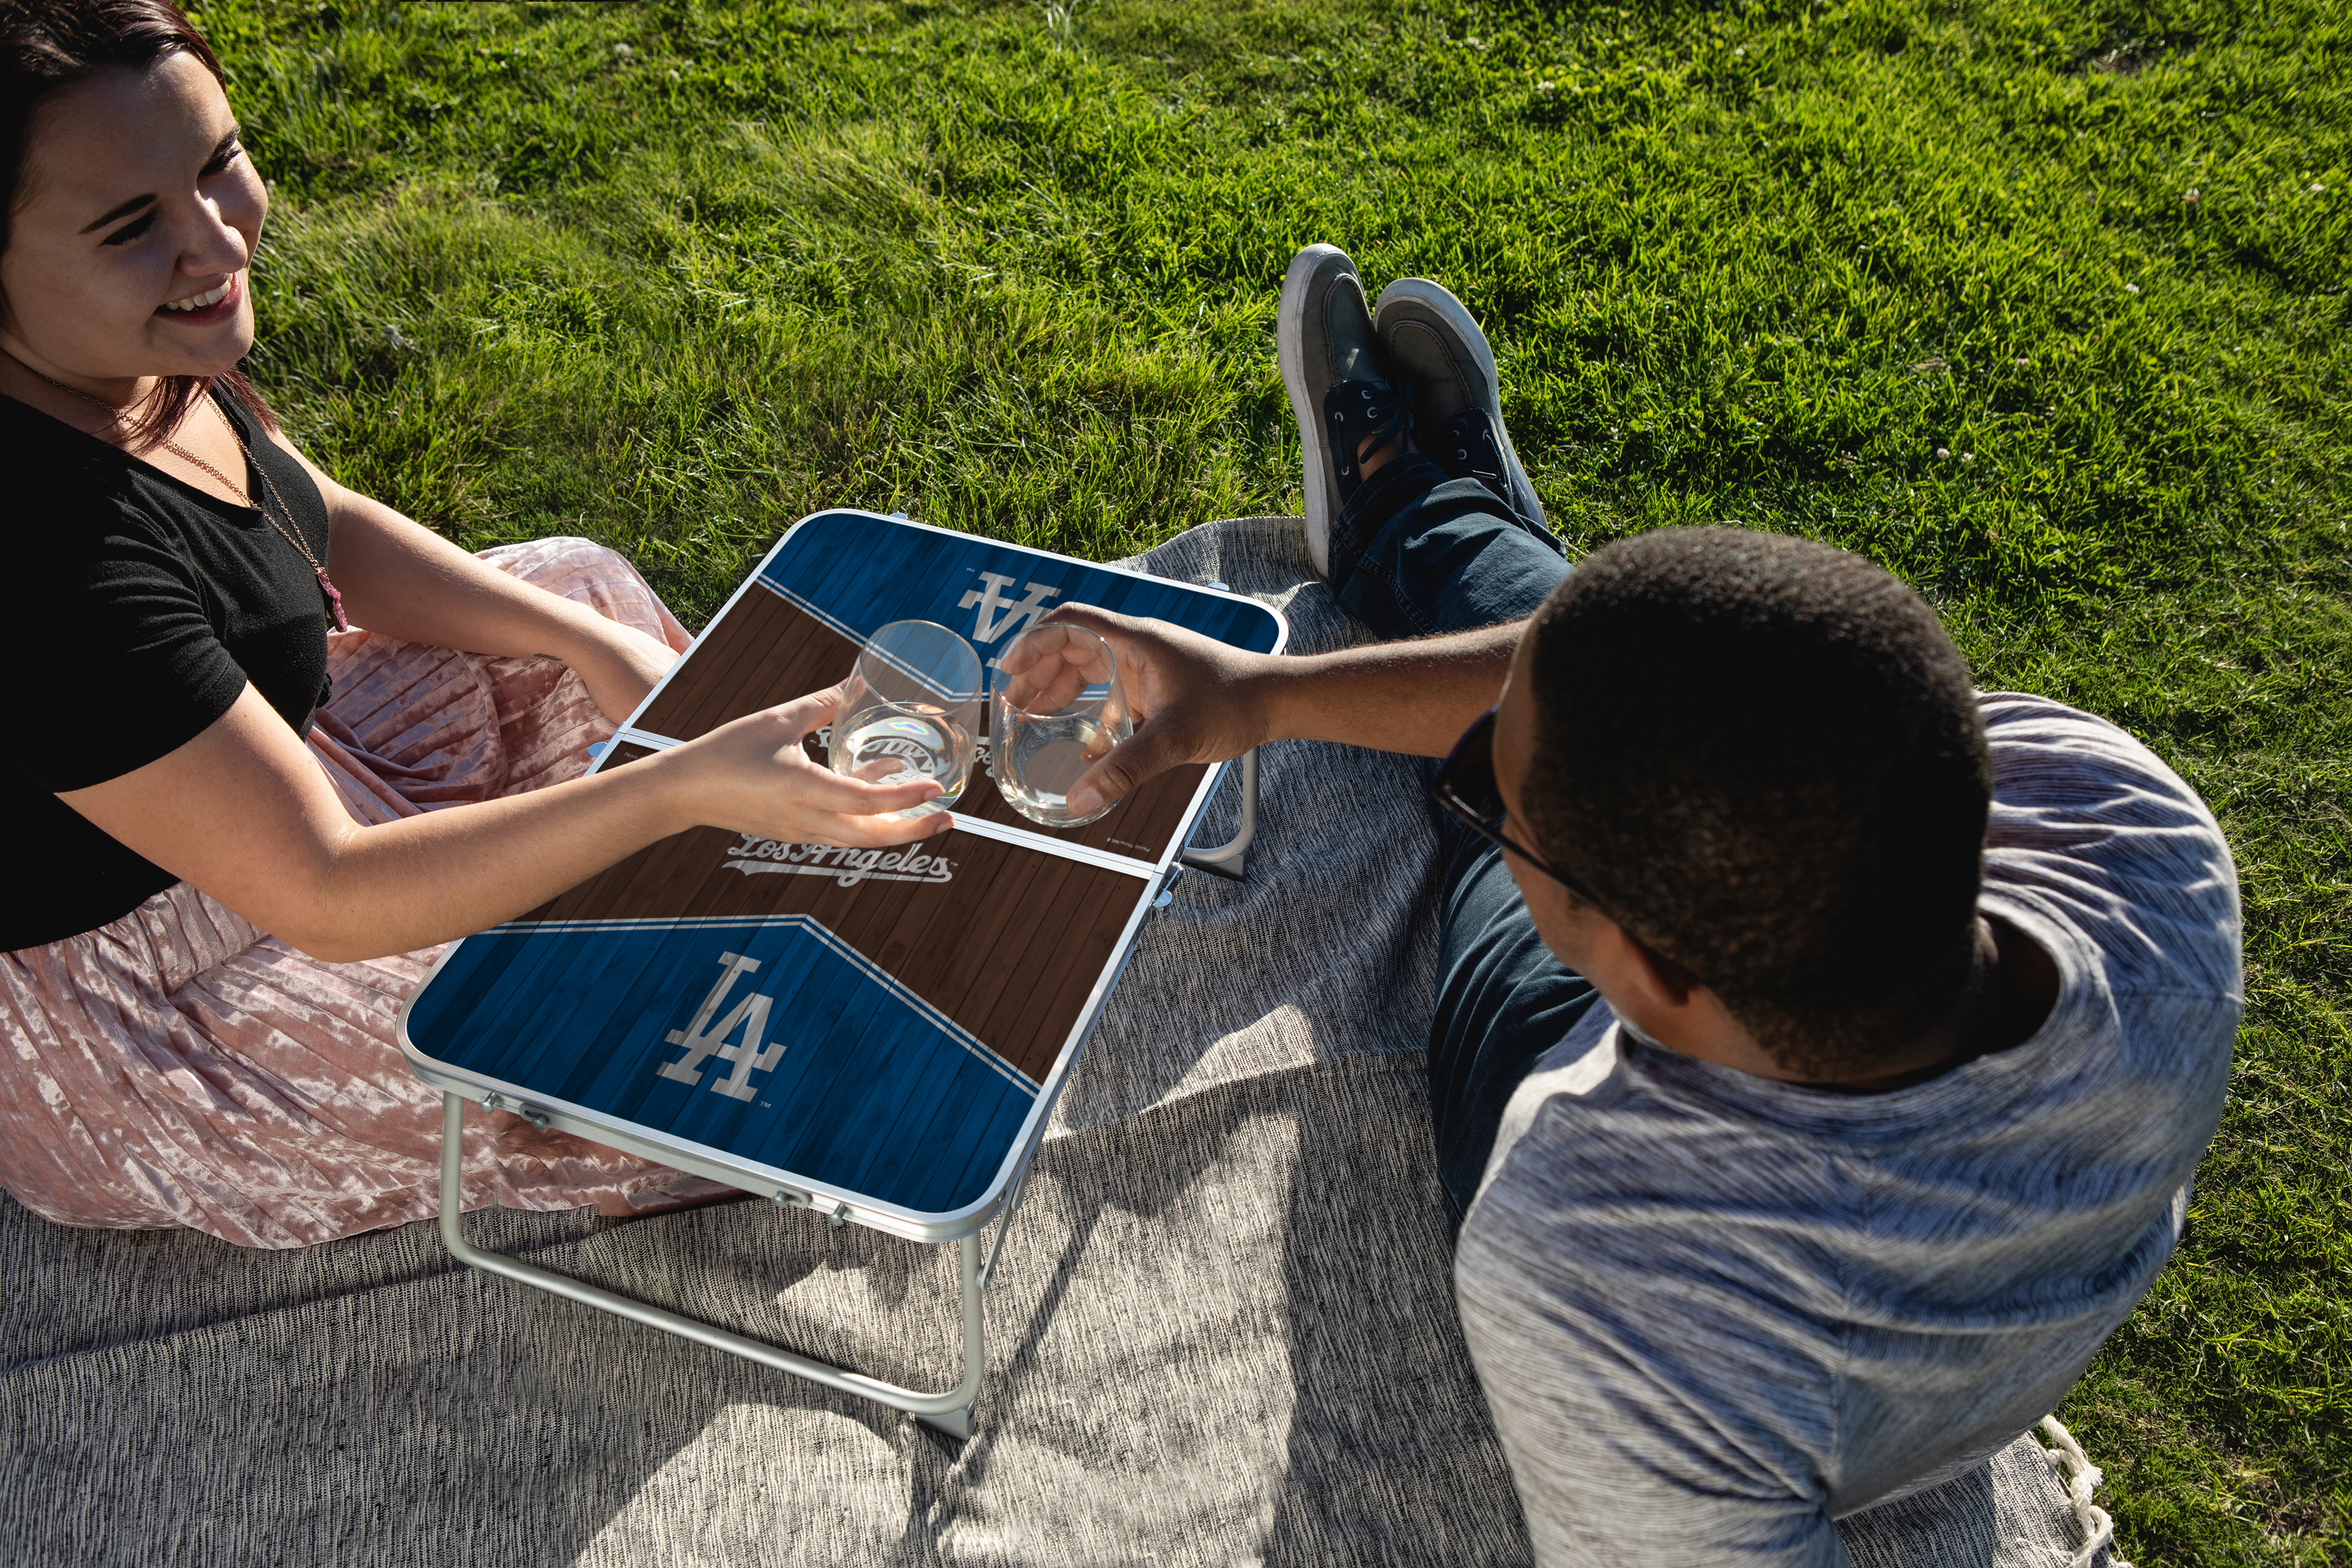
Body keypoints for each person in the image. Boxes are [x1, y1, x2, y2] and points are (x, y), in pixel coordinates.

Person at [1047, 243, 2240, 1564]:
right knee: (1622, 671)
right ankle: (1445, 526)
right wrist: (1258, 697)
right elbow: (1719, 695)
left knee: (1534, 773)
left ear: (1645, 970)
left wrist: (1424, 746)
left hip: (1572, 1072)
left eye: (1496, 810)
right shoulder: (2133, 826)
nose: (1480, 808)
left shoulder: (1603, 1263)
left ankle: (1427, 521)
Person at [0, 0, 948, 1248]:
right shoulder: (41, 554)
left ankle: (735, 855)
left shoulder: (121, 356)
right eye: (133, 226)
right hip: (166, 999)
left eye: (218, 161)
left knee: (575, 589)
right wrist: (675, 792)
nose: (217, 236)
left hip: (285, 772)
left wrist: (590, 647)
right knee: (728, 1056)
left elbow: (312, 521)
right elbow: (327, 891)